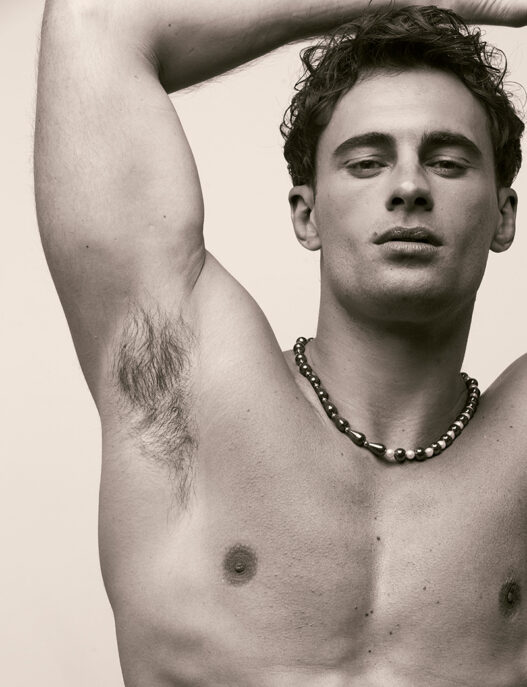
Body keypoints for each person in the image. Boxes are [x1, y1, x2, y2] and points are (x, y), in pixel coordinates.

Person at [35, 0, 527, 684]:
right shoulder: (189, 387)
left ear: (503, 215)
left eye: (446, 162)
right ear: (306, 213)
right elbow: (97, 18)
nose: (409, 187)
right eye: (367, 162)